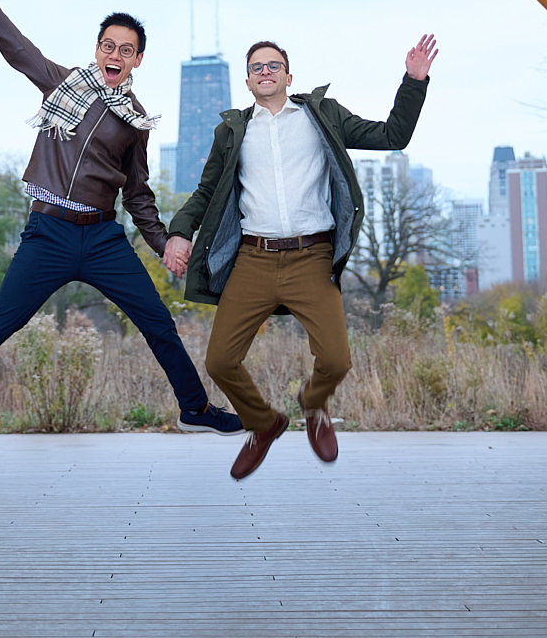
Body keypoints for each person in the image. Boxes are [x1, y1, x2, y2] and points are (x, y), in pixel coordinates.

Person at [0, 0, 242, 451]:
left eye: (126, 49)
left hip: (101, 239)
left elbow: (139, 193)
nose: (115, 55)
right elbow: (15, 45)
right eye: (108, 45)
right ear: (97, 49)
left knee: (158, 323)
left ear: (138, 59)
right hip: (48, 234)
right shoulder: (60, 84)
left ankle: (195, 408)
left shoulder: (135, 122)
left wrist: (163, 243)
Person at [167, 34, 437, 479]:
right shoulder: (232, 131)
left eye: (274, 65)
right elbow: (206, 192)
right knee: (219, 361)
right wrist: (180, 232)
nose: (266, 72)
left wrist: (414, 81)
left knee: (336, 360)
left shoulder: (321, 115)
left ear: (289, 77)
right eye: (258, 67)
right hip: (253, 259)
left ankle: (313, 405)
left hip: (311, 257)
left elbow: (393, 136)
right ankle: (263, 422)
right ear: (249, 82)